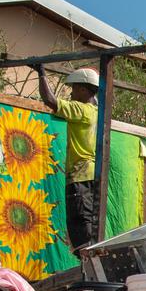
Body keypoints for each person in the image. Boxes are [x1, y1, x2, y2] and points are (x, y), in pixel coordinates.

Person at [39, 66, 101, 248]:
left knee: (80, 225)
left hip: (80, 176)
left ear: (83, 89)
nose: (71, 93)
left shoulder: (81, 110)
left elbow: (49, 100)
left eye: (74, 88)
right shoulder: (97, 112)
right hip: (93, 175)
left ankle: (87, 261)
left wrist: (41, 73)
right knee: (90, 221)